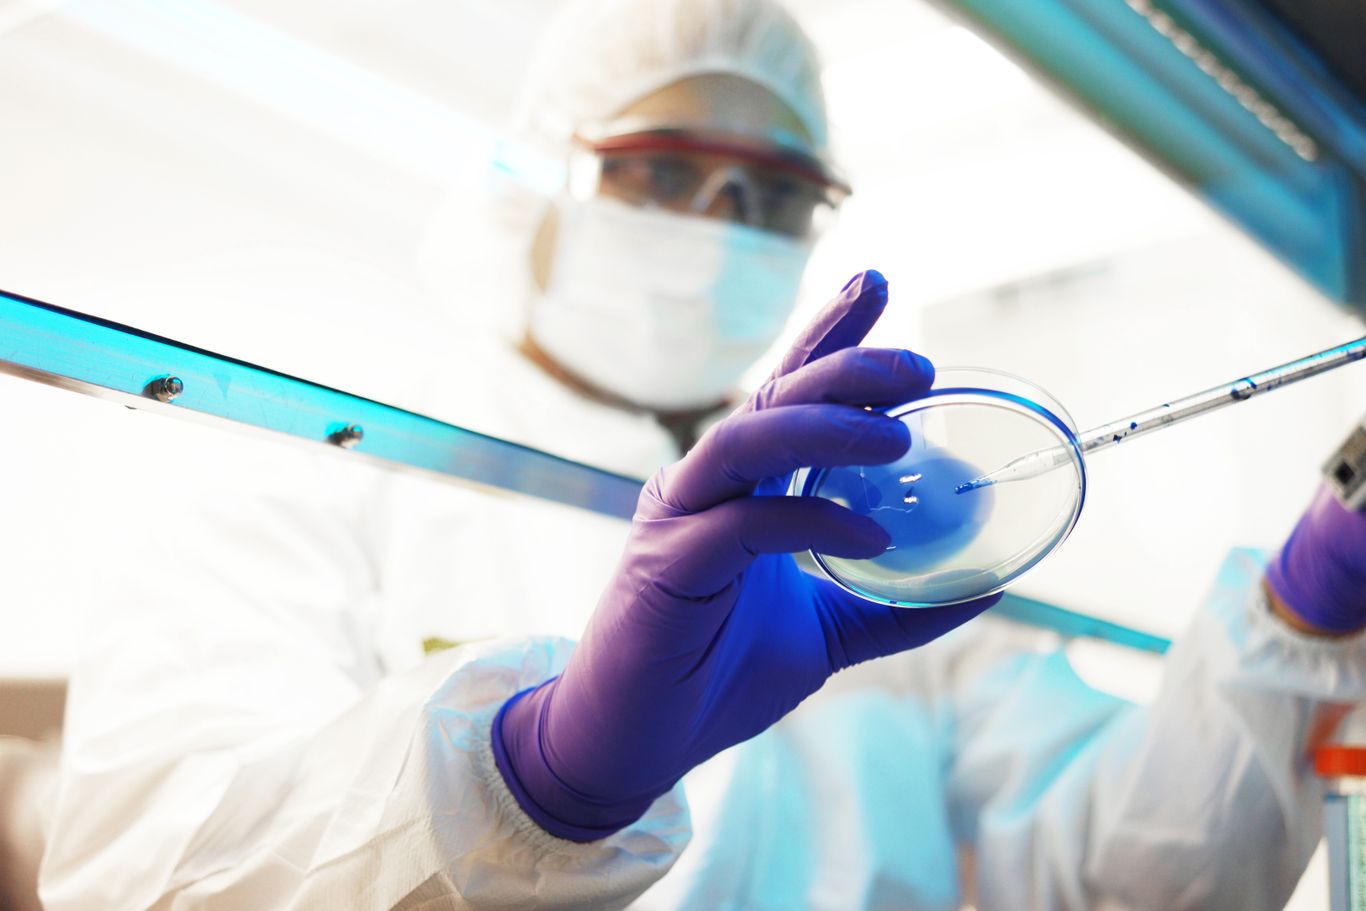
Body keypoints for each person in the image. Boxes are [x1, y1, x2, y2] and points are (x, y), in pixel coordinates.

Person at [36, 0, 1366, 909]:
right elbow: (141, 868)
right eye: (666, 172)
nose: (724, 224)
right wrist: (530, 775)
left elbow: (1123, 877)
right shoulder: (316, 451)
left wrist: (1297, 611)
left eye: (775, 194)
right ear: (542, 180)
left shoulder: (855, 523)